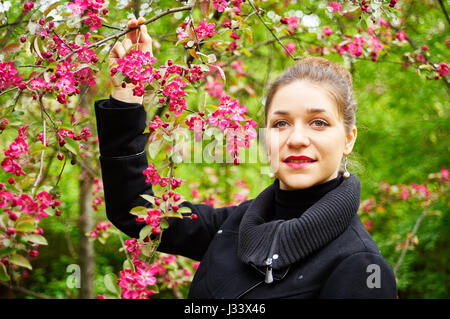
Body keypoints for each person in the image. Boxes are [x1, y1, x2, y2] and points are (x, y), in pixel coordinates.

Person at [94, 18, 397, 299]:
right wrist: (127, 96)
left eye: (318, 122)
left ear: (348, 138)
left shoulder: (361, 268)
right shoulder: (234, 226)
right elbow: (132, 208)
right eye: (281, 123)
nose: (296, 139)